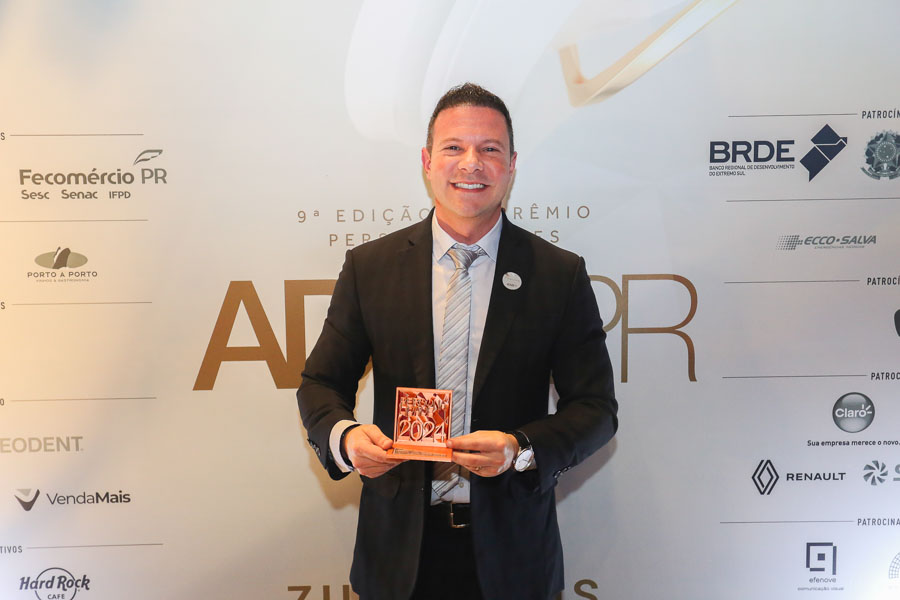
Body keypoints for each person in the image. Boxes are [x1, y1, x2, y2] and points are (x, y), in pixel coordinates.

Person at [298, 83, 618, 600]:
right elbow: (320, 383)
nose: (472, 163)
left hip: (514, 555)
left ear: (511, 165)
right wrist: (347, 439)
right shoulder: (371, 268)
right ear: (428, 162)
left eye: (490, 149)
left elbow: (596, 408)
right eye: (454, 147)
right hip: (397, 555)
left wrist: (519, 449)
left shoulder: (558, 275)